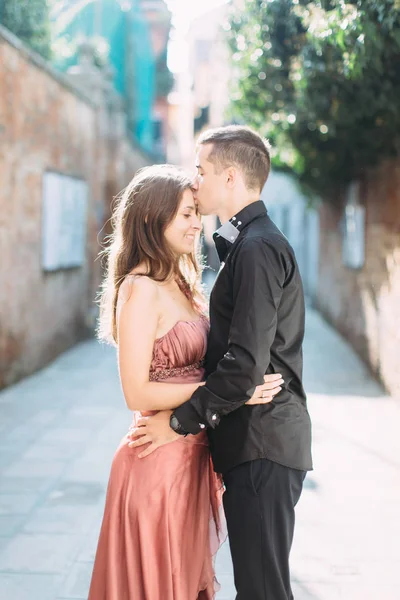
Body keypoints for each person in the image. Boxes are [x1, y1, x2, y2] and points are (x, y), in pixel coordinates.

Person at [129, 126, 313, 600]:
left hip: (262, 441)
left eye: (202, 171)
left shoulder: (256, 248)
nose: (195, 182)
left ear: (230, 177)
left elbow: (245, 364)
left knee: (263, 591)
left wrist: (179, 422)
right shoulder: (247, 243)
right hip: (256, 441)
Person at [88, 164, 283, 600]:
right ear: (150, 218)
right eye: (185, 215)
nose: (198, 223)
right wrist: (233, 393)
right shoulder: (139, 289)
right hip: (156, 463)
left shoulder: (181, 280)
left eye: (197, 211)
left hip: (191, 457)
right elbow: (135, 392)